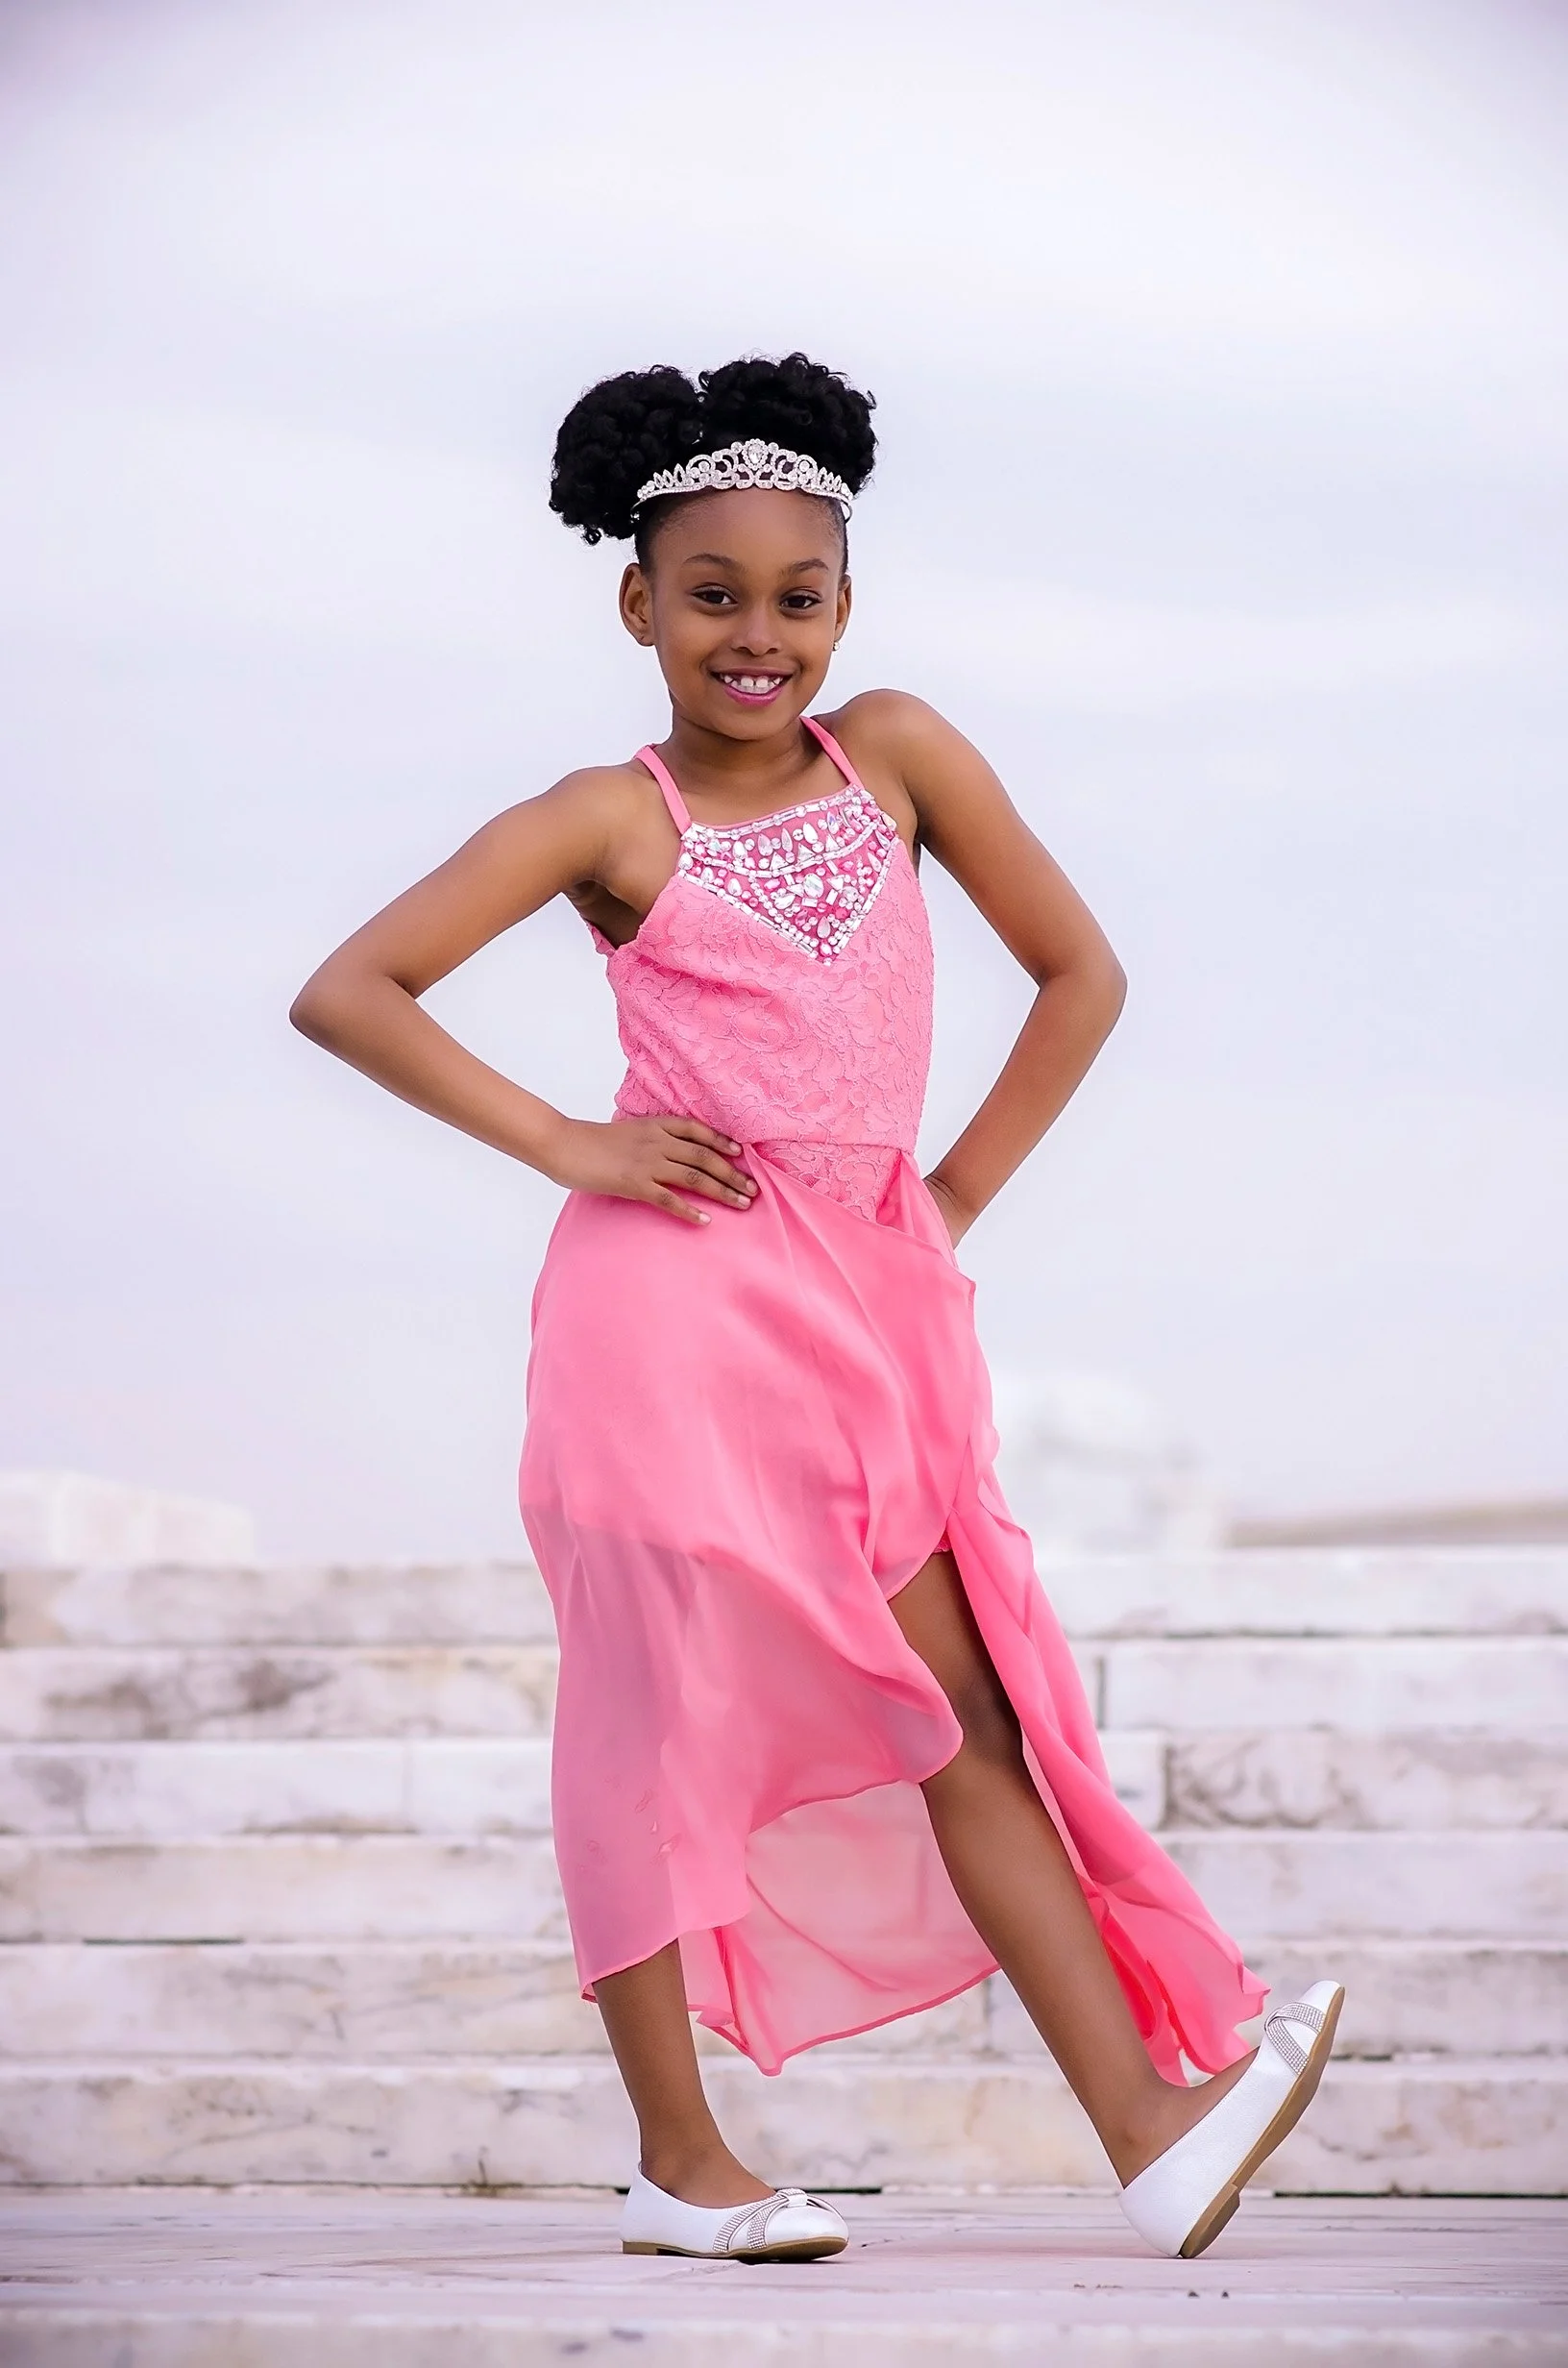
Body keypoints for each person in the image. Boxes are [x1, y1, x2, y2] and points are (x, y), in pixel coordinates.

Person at [291, 352, 1343, 2265]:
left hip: (867, 1311)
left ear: (844, 608)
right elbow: (353, 986)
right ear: (639, 603)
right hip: (671, 1324)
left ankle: (1155, 2123)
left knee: (970, 1708)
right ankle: (676, 2157)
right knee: (645, 1720)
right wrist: (572, 1145)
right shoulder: (605, 821)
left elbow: (1079, 972)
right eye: (711, 593)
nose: (755, 632)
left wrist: (938, 1196)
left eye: (796, 595)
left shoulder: (903, 753)